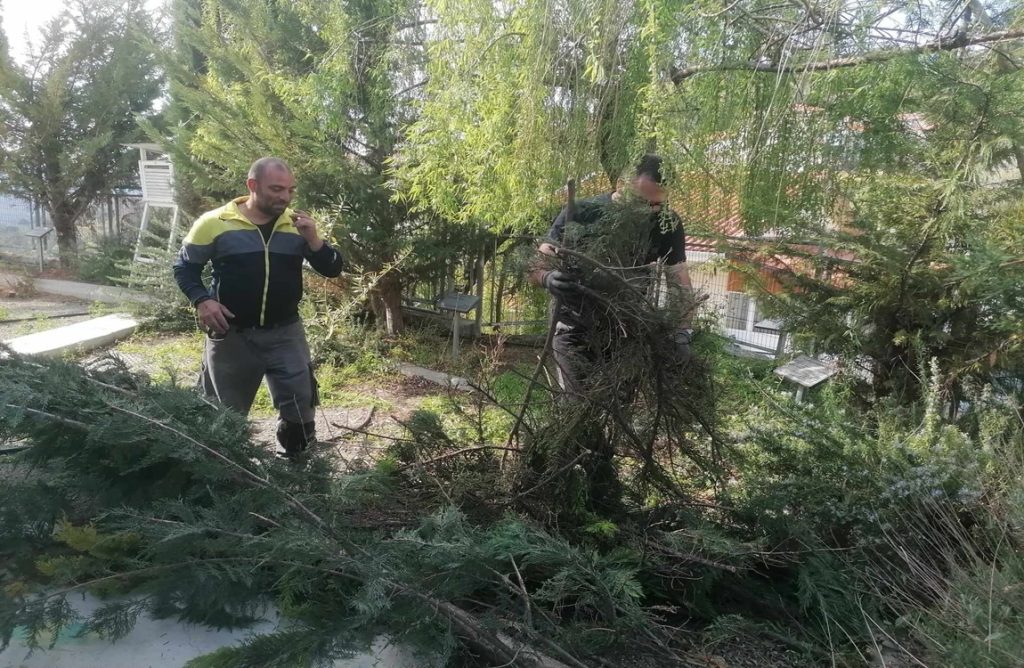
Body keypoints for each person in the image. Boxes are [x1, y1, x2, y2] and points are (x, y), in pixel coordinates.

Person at [173, 157, 344, 457]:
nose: (285, 197)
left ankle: (297, 471)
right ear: (252, 185)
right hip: (231, 335)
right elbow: (184, 268)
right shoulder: (214, 223)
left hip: (286, 333)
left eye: (290, 190)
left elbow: (332, 268)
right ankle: (225, 479)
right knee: (223, 414)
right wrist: (202, 300)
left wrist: (314, 240)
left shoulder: (296, 226)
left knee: (301, 405)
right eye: (276, 189)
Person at [528, 153, 696, 396]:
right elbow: (535, 266)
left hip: (627, 333)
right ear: (621, 184)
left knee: (620, 409)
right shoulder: (582, 212)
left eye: (656, 204)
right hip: (573, 330)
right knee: (575, 409)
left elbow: (680, 283)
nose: (647, 211)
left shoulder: (667, 223)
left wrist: (682, 333)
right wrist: (547, 278)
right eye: (639, 201)